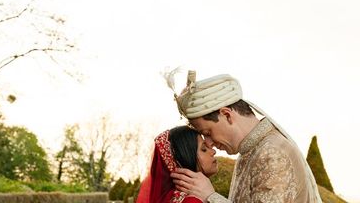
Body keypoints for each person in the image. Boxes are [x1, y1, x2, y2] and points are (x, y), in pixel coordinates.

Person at [170, 71, 322, 203]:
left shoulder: (271, 152)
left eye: (208, 133)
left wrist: (210, 196)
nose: (209, 143)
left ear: (226, 115)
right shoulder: (251, 150)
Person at [137, 125, 219, 203]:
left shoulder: (174, 198)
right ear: (181, 161)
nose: (213, 151)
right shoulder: (192, 201)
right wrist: (212, 196)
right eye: (204, 149)